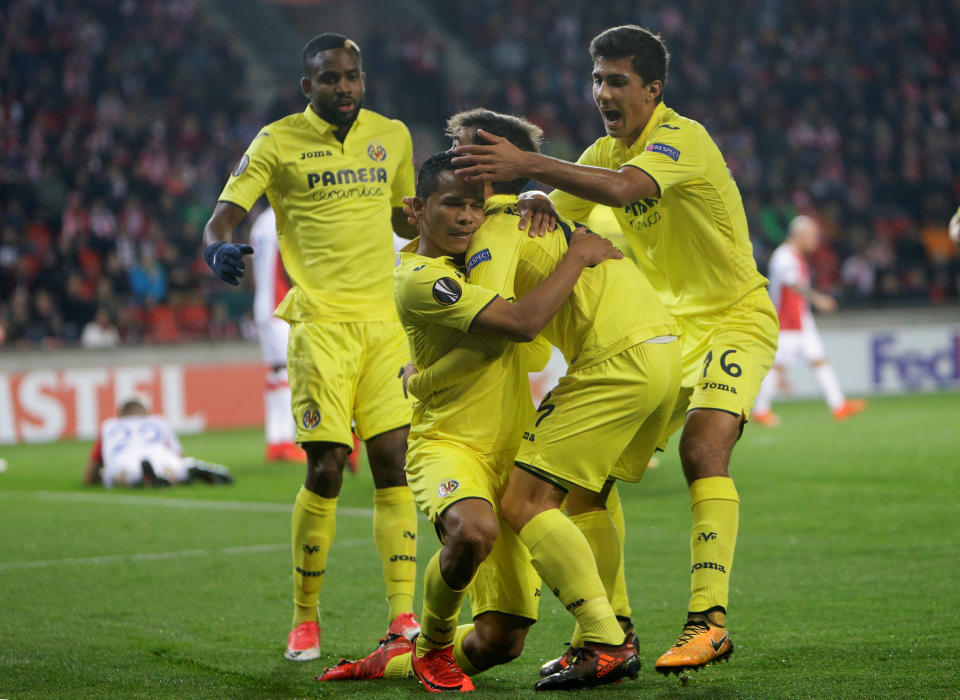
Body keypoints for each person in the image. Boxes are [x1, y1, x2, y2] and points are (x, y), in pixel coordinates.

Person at [451, 25, 779, 676]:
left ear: (652, 89)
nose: (603, 91)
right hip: (667, 335)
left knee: (702, 447)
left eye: (618, 80)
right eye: (597, 79)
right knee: (586, 485)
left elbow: (626, 189)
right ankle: (612, 633)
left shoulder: (680, 139)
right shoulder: (601, 149)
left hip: (735, 317)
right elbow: (549, 201)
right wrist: (529, 196)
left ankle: (707, 622)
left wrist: (533, 167)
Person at [201, 33, 421, 661]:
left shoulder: (394, 135)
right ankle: (305, 618)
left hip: (387, 325)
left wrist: (439, 213)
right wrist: (217, 246)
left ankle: (402, 617)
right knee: (326, 468)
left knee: (393, 465)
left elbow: (404, 218)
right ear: (308, 86)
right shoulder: (275, 141)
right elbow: (226, 211)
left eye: (352, 76)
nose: (344, 87)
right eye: (330, 79)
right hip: (321, 326)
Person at [753, 215, 866, 424]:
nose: (816, 240)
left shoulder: (795, 255)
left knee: (819, 360)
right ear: (800, 234)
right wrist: (819, 299)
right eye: (813, 235)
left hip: (801, 321)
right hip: (787, 322)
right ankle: (760, 410)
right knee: (776, 366)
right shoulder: (784, 256)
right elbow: (793, 284)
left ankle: (838, 406)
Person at [248, 206, 303, 463]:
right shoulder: (284, 217)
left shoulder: (260, 222)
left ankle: (277, 440)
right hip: (280, 304)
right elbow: (291, 264)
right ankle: (282, 443)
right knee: (286, 373)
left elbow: (252, 265)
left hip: (264, 304)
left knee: (277, 373)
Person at [84, 397, 233, 487]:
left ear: (121, 414)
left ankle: (143, 478)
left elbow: (91, 471)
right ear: (146, 412)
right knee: (175, 465)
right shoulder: (158, 421)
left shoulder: (111, 425)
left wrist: (99, 478)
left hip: (125, 456)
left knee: (121, 474)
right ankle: (188, 469)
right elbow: (179, 453)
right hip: (158, 451)